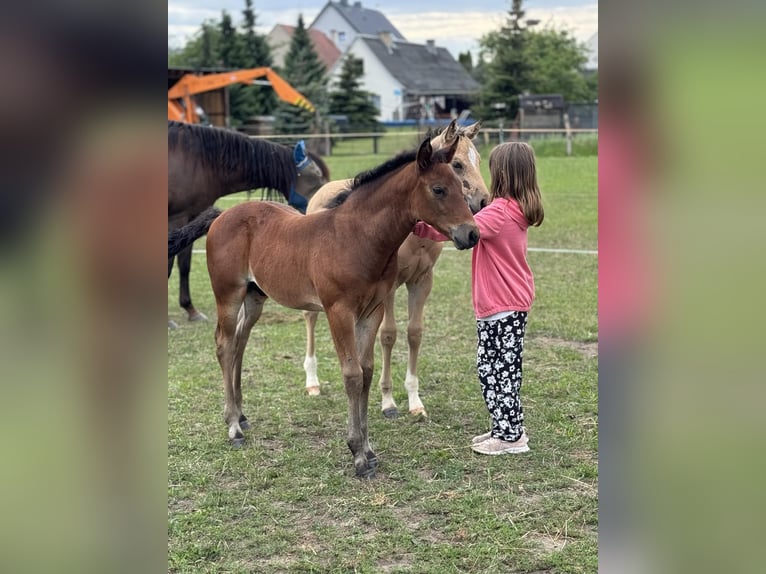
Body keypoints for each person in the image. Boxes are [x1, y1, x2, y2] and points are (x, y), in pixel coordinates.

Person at [412, 141, 544, 455]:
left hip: (501, 304)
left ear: (501, 174)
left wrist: (418, 225)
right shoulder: (516, 207)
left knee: (494, 371)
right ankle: (506, 428)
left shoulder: (498, 212)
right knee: (504, 369)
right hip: (510, 302)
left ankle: (510, 438)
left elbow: (457, 230)